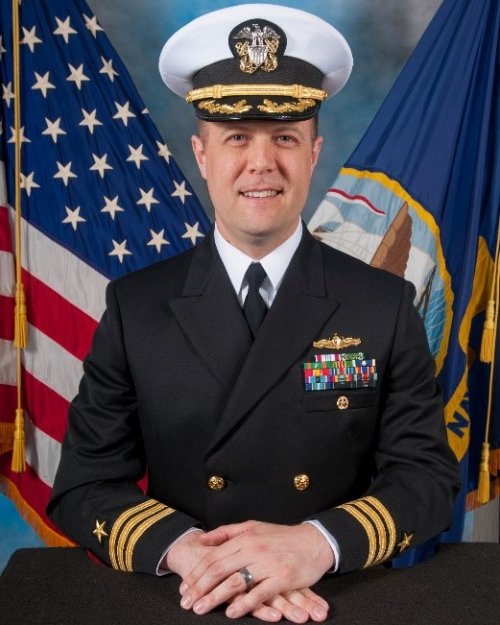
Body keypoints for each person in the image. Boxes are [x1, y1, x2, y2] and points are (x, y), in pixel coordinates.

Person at [48, 4, 460, 623]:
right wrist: (192, 554)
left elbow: (426, 476)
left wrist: (314, 544)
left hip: (335, 598)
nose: (261, 163)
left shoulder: (384, 303)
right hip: (189, 597)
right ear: (201, 154)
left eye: (285, 138)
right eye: (236, 137)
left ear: (315, 152)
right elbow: (85, 483)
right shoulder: (137, 307)